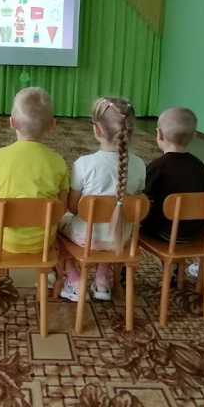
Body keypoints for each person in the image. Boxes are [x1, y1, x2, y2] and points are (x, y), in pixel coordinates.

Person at [58, 98, 146, 303]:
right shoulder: (140, 164)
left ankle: (74, 278)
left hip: (85, 238)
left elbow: (73, 207)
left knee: (54, 227)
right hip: (122, 238)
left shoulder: (84, 164)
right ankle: (102, 279)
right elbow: (137, 205)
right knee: (112, 226)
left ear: (97, 130)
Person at [0, 87, 69, 256]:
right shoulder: (58, 161)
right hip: (43, 242)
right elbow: (62, 207)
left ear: (12, 122)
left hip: (4, 240)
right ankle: (48, 274)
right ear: (52, 125)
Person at [141, 107, 204, 242]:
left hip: (164, 232)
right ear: (194, 135)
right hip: (194, 232)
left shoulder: (157, 166)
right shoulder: (200, 166)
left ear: (159, 134)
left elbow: (143, 198)